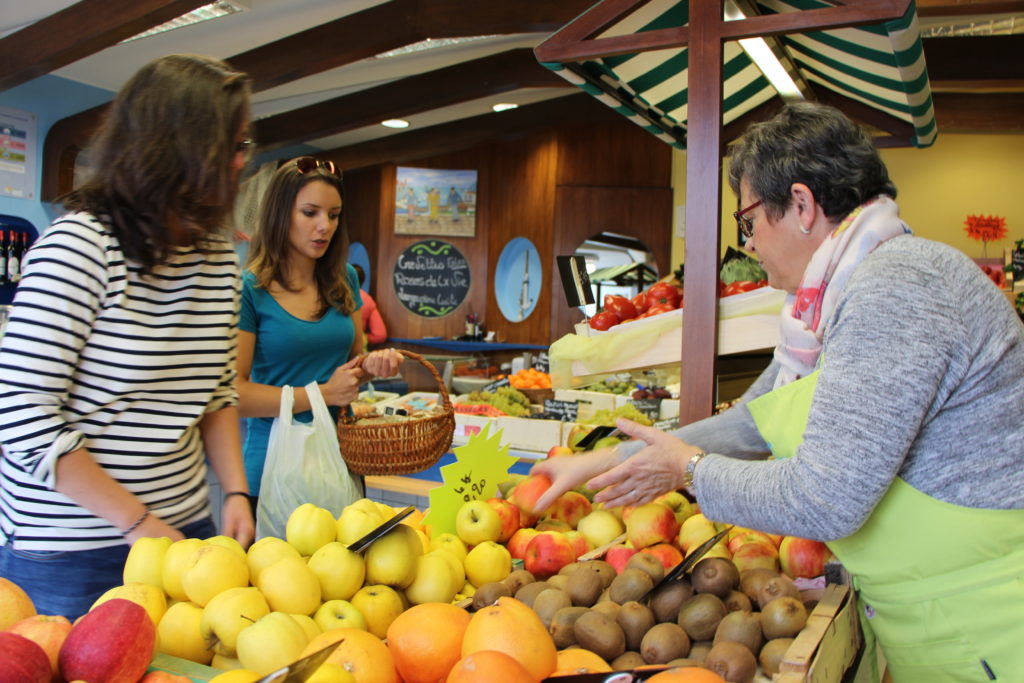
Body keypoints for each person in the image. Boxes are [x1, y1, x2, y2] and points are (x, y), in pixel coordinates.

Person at [533, 102, 1024, 682]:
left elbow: (825, 497)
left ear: (801, 205)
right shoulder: (827, 305)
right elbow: (754, 421)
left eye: (747, 221)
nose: (748, 245)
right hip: (931, 611)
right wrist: (612, 459)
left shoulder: (897, 289)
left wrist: (690, 470)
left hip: (986, 621)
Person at [0, 54, 257, 619]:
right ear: (176, 152)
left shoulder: (215, 255)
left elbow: (216, 388)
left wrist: (235, 491)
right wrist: (138, 525)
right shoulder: (78, 250)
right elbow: (22, 415)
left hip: (185, 534)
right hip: (73, 547)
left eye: (244, 146)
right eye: (230, 149)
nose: (242, 164)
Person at [237, 157, 402, 509]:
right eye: (310, 212)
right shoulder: (250, 288)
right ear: (281, 214)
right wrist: (323, 394)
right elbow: (236, 395)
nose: (324, 226)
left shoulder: (345, 278)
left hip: (339, 462)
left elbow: (351, 364)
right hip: (273, 470)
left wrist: (374, 365)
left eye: (333, 214)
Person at [352, 264, 388, 346]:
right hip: (358, 350)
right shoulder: (367, 300)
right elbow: (380, 335)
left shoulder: (333, 296)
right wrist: (363, 338)